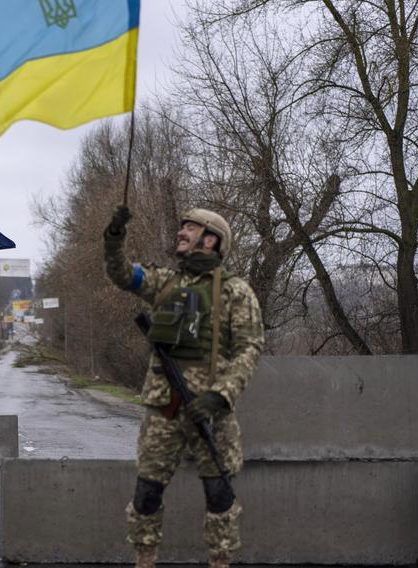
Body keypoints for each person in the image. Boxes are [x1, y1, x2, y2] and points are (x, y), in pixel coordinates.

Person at [103, 206, 264, 568]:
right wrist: (114, 236)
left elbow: (250, 348)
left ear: (211, 239)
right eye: (182, 226)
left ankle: (219, 563)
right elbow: (121, 273)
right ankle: (144, 560)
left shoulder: (236, 292)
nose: (182, 232)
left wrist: (220, 395)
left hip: (212, 412)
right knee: (146, 491)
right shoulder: (165, 282)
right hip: (165, 407)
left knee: (220, 495)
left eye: (191, 227)